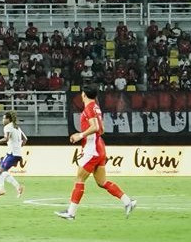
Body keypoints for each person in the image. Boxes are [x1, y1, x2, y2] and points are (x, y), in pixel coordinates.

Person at [57, 86, 135, 220]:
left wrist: (80, 135)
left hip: (91, 149)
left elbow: (96, 127)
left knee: (80, 179)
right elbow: (102, 129)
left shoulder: (88, 108)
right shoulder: (97, 108)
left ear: (84, 95)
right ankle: (128, 202)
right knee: (102, 182)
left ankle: (71, 213)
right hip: (99, 147)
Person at [0, 112, 26, 198]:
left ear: (8, 119)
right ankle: (18, 187)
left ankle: (2, 189)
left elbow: (6, 139)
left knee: (1, 171)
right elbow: (25, 139)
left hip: (12, 154)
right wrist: (18, 147)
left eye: (4, 118)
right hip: (15, 153)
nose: (2, 120)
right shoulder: (17, 127)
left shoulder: (8, 127)